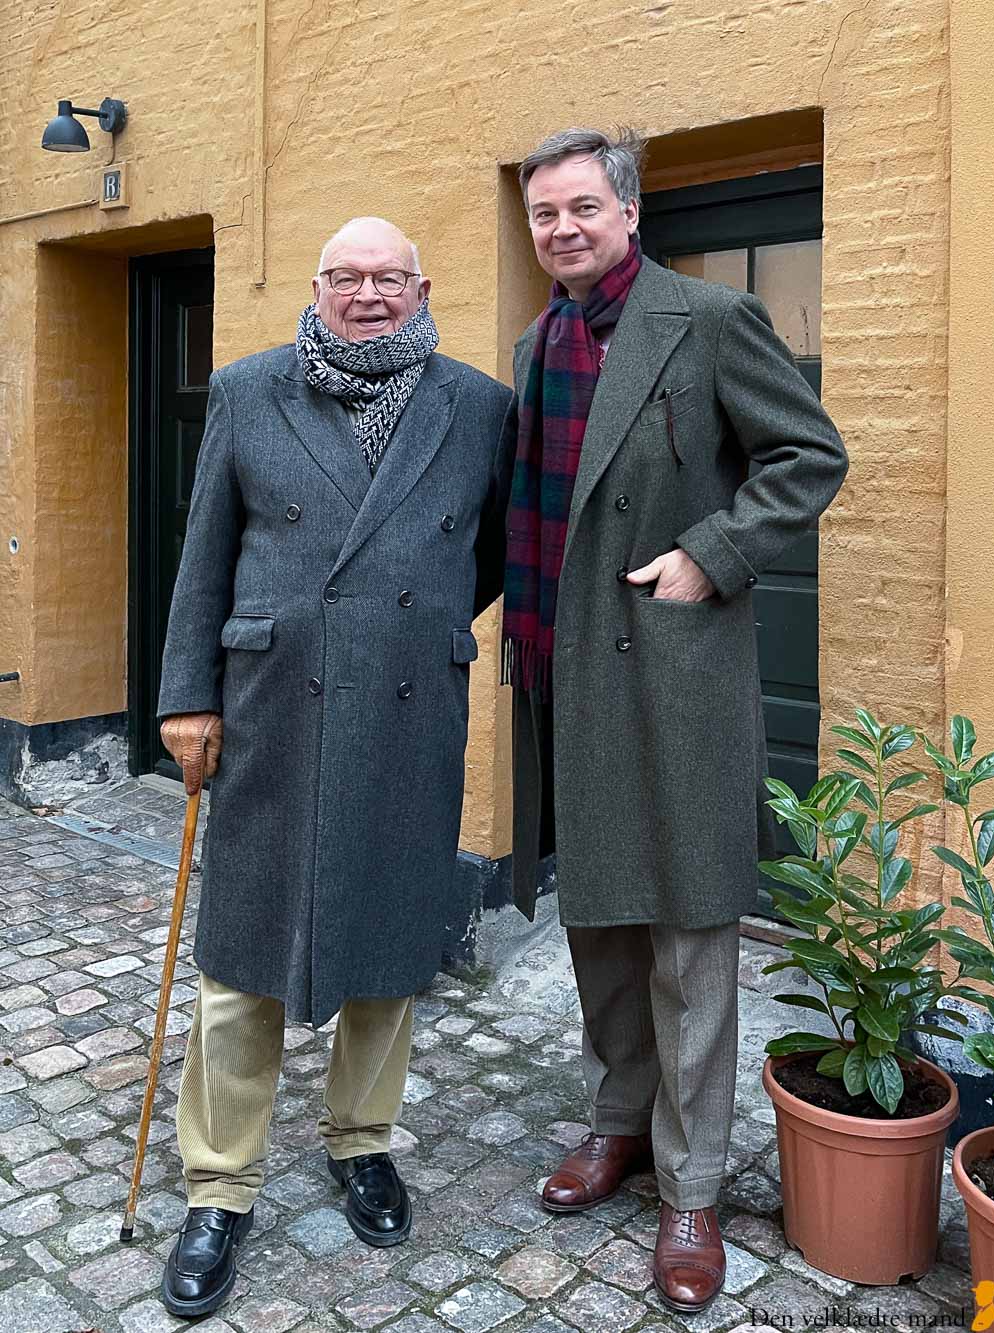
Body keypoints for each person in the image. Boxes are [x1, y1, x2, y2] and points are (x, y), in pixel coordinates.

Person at [503, 128, 848, 1314]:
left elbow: (807, 454)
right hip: (565, 673)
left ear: (629, 213)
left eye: (581, 207)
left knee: (690, 938)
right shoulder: (537, 345)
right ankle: (619, 1125)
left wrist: (714, 552)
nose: (561, 229)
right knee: (598, 923)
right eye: (543, 213)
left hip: (671, 670)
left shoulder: (705, 322)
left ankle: (691, 1187)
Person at [156, 216, 515, 1319]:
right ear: (316, 288)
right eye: (346, 277)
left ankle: (361, 1139)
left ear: (421, 288)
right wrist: (187, 695)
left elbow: (486, 554)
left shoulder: (478, 406)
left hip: (406, 706)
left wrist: (413, 628)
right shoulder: (247, 389)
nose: (368, 294)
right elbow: (205, 551)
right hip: (271, 705)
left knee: (387, 946)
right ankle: (219, 1185)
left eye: (388, 277)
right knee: (242, 953)